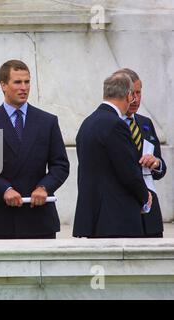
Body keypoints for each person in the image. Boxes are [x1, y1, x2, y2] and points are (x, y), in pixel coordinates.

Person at [0, 60, 69, 239]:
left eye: (27, 82)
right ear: (3, 85)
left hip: (39, 219)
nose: (24, 87)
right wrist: (5, 189)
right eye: (18, 82)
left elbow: (60, 165)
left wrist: (44, 187)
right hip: (1, 220)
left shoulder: (47, 122)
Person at [73, 72, 152, 238]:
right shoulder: (116, 124)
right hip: (116, 218)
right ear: (128, 95)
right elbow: (128, 171)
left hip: (93, 215)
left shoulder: (88, 122)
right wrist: (145, 195)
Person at [116, 68, 166, 237]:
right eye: (132, 93)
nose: (136, 99)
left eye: (139, 92)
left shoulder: (145, 124)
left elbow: (160, 169)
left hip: (150, 211)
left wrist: (156, 163)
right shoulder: (110, 124)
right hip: (124, 209)